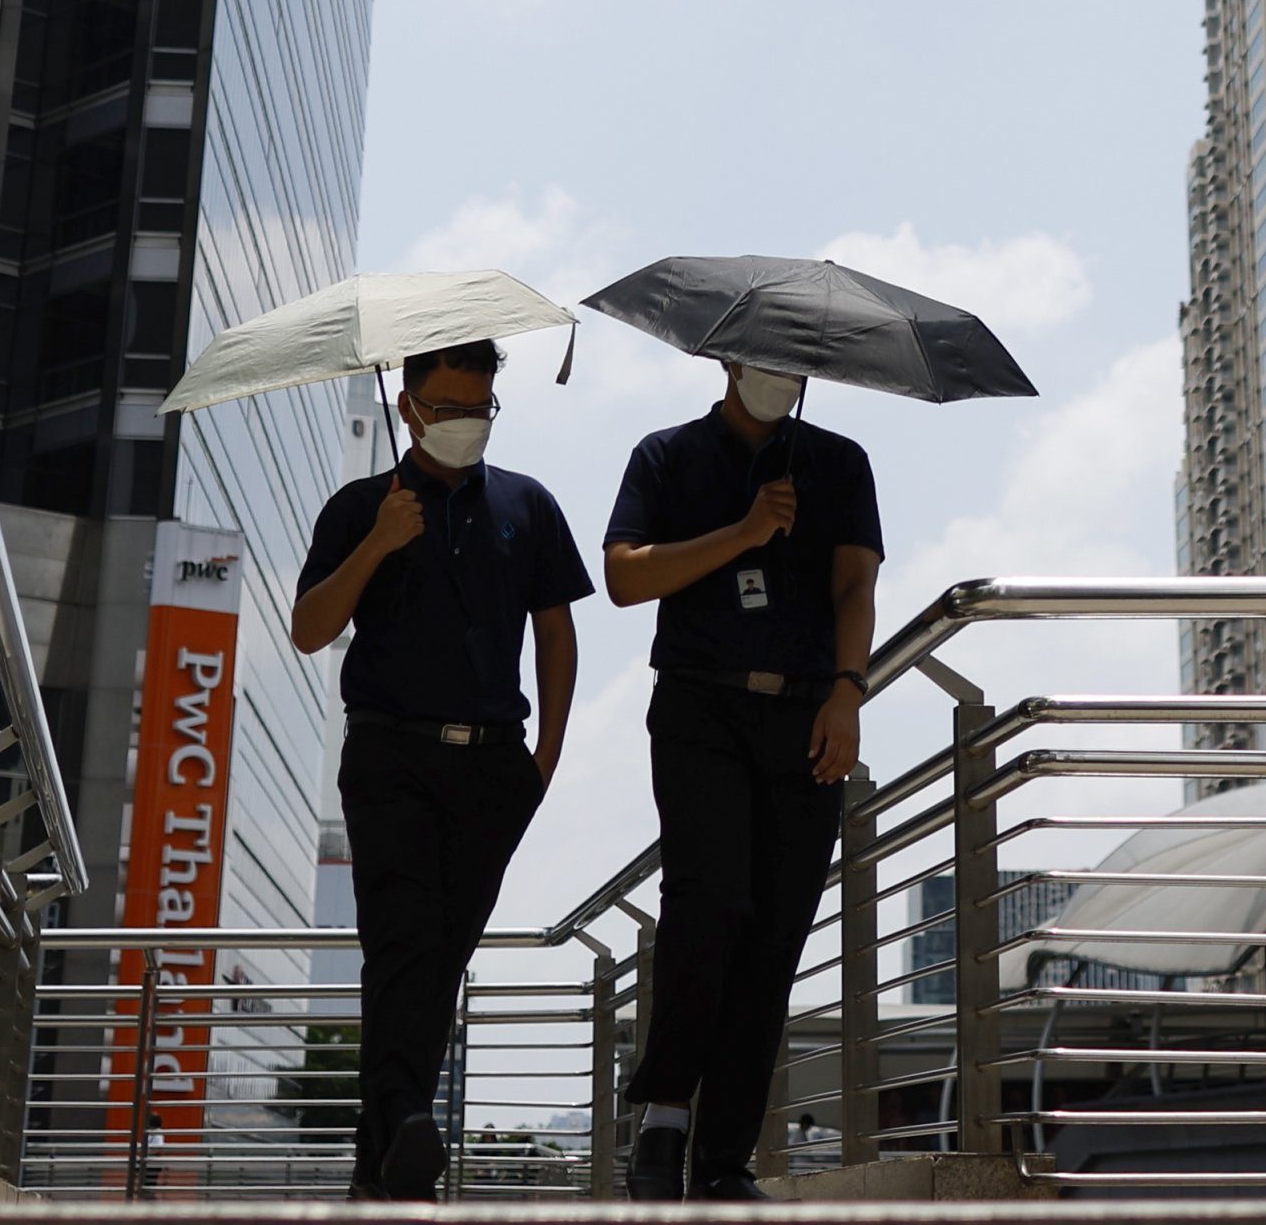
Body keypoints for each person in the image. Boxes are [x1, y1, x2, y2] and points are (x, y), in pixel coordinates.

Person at [292, 339, 588, 1202]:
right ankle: (404, 1121)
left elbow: (556, 629)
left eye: (480, 406)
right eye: (450, 406)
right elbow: (310, 627)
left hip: (494, 765)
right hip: (388, 751)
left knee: (436, 959)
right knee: (401, 940)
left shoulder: (528, 504)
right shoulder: (358, 506)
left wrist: (547, 756)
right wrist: (379, 542)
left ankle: (385, 1150)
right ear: (408, 403)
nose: (467, 422)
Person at [602, 360, 882, 1203]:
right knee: (709, 903)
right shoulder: (666, 455)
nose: (777, 373)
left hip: (803, 717)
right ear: (725, 358)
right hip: (698, 708)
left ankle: (724, 1160)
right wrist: (744, 530)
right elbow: (623, 577)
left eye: (792, 359)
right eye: (761, 355)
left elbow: (856, 584)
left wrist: (848, 691)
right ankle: (662, 1115)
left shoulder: (840, 460)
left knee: (771, 941)